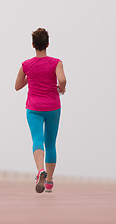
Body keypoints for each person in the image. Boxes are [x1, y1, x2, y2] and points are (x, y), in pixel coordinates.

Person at [15, 28, 67, 193]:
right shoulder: (56, 62)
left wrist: (30, 78)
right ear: (48, 44)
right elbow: (62, 79)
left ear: (33, 45)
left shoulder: (26, 65)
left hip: (34, 108)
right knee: (50, 143)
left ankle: (39, 171)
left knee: (37, 139)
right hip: (52, 107)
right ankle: (49, 181)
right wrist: (62, 88)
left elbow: (17, 86)